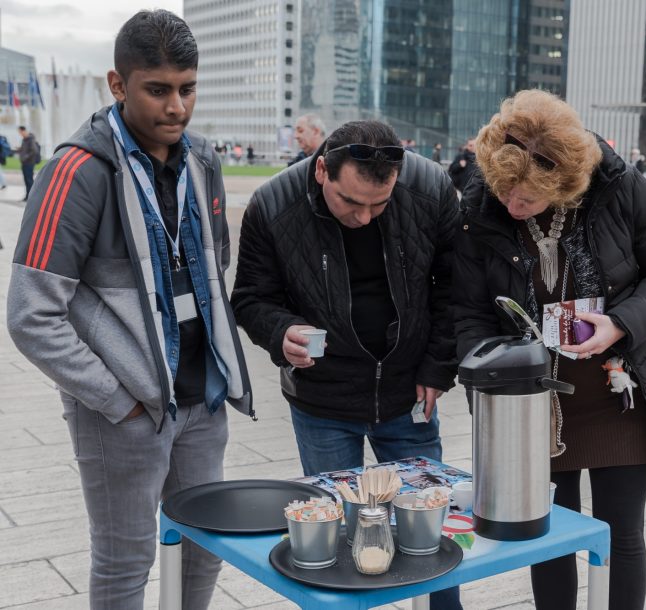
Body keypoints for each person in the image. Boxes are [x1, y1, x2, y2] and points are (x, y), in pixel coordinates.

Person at [6, 10, 253, 609]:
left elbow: (211, 277)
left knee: (205, 546)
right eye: (158, 90)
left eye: (187, 88)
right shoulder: (75, 170)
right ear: (118, 85)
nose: (177, 107)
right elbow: (30, 316)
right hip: (125, 409)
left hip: (201, 398)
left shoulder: (203, 159)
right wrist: (118, 401)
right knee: (126, 558)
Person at [452, 89, 646, 610]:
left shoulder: (621, 189)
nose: (512, 205)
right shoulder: (480, 204)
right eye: (505, 191)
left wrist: (618, 323)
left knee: (620, 534)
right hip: (532, 403)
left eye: (527, 198)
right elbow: (468, 309)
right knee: (549, 539)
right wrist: (489, 373)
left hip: (620, 393)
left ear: (565, 184)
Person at [231, 120, 462, 609]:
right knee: (336, 535)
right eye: (351, 202)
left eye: (380, 204)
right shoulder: (273, 205)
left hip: (409, 392)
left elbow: (454, 288)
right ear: (321, 171)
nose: (365, 217)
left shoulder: (431, 188)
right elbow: (251, 297)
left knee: (430, 532)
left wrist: (437, 368)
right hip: (324, 397)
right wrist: (280, 332)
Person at [17, 125, 41, 200]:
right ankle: (28, 196)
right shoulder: (24, 140)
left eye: (20, 132)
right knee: (26, 180)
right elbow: (25, 149)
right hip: (25, 163)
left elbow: (34, 151)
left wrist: (25, 157)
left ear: (23, 131)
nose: (20, 133)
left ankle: (32, 197)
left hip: (29, 163)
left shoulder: (30, 139)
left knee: (29, 180)